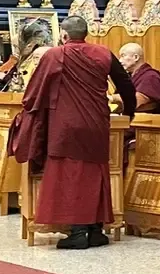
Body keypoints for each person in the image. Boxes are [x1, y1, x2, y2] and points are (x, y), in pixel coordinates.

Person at [11, 14, 135, 249]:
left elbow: (35, 91)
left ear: (64, 35)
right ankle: (96, 230)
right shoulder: (104, 53)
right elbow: (126, 85)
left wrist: (30, 112)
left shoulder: (55, 55)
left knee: (71, 176)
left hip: (66, 125)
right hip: (97, 123)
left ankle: (78, 232)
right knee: (96, 172)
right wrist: (130, 111)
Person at [115, 42, 160, 114]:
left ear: (136, 57)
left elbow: (135, 101)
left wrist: (113, 98)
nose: (120, 61)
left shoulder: (151, 77)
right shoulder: (129, 77)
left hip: (150, 119)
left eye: (123, 56)